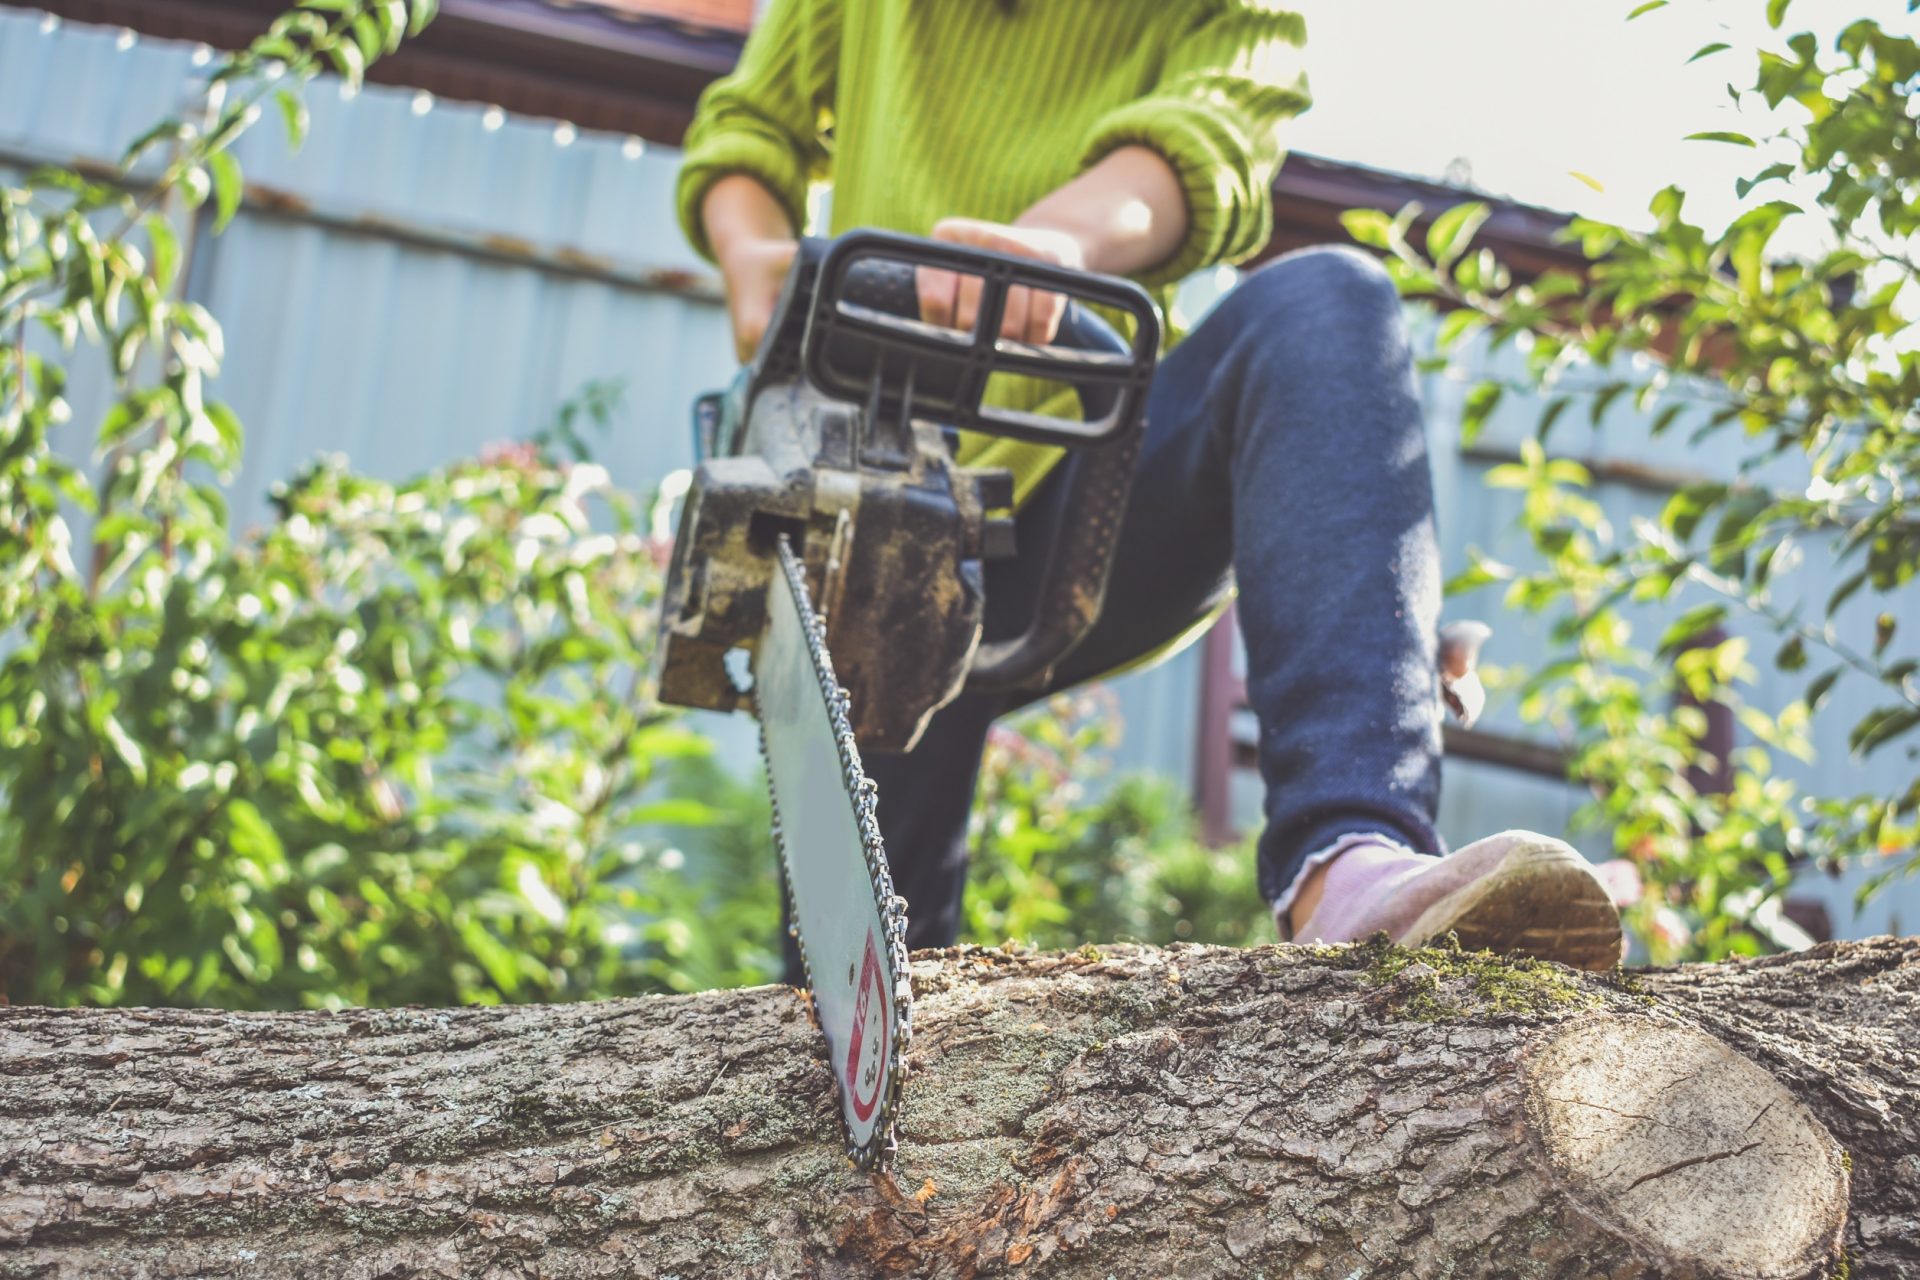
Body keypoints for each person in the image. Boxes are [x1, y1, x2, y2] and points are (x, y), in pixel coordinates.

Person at [674, 0, 1624, 979]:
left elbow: (1207, 140)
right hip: (874, 509)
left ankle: (1348, 856)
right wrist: (753, 252)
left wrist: (1055, 242)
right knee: (864, 978)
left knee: (1325, 303)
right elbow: (751, 126)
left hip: (1089, 497)